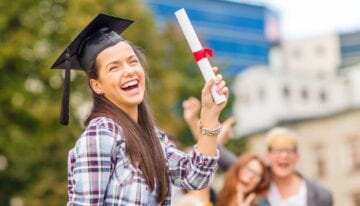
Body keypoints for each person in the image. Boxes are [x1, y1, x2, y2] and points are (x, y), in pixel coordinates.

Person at [50, 13, 229, 205]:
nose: (129, 71)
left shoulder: (153, 137)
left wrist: (210, 114)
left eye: (132, 61)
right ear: (96, 85)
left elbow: (196, 177)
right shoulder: (102, 134)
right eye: (114, 67)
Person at [182, 97, 270, 206]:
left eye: (257, 175)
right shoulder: (217, 199)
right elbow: (207, 154)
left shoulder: (260, 203)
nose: (251, 176)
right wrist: (193, 120)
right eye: (249, 170)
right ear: (235, 170)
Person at [265, 127, 333, 206]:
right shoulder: (257, 190)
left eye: (289, 151)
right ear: (267, 156)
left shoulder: (321, 195)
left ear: (297, 156)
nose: (284, 155)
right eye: (278, 151)